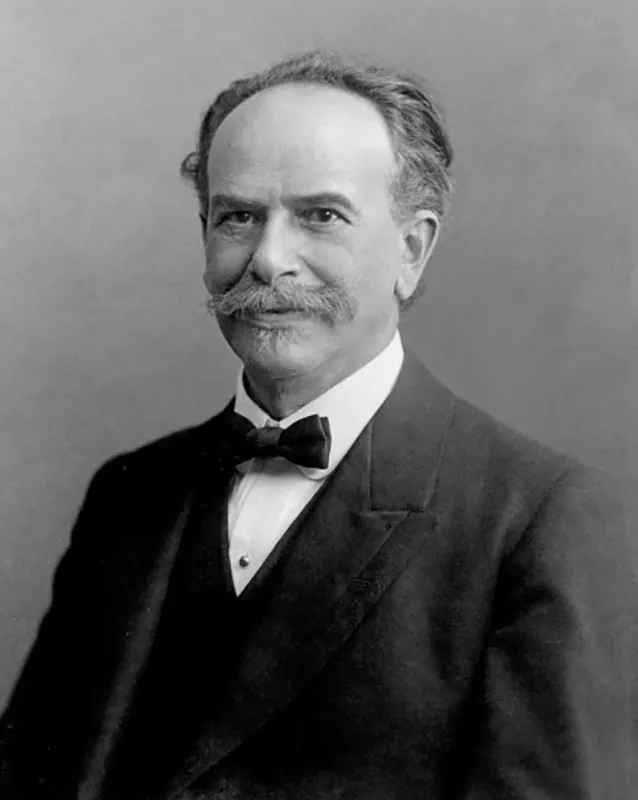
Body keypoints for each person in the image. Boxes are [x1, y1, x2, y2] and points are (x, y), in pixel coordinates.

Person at [0, 50, 636, 800]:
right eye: (238, 216)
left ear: (412, 249)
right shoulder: (129, 493)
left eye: (320, 216)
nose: (269, 259)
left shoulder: (546, 520)